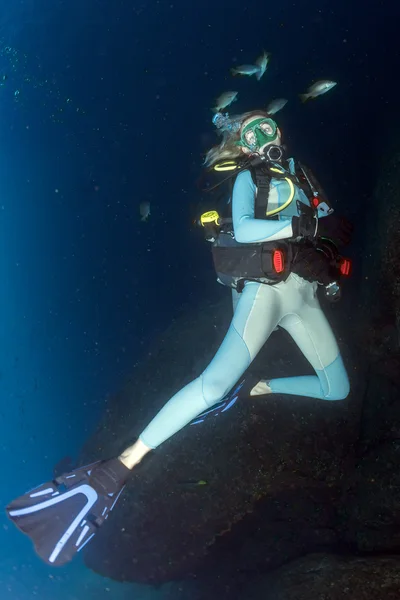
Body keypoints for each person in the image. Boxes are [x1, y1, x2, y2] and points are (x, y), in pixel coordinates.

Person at [6, 110, 353, 566]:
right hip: (266, 293)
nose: (263, 134)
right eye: (252, 132)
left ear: (280, 131)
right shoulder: (251, 177)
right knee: (212, 386)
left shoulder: (303, 177)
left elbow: (326, 223)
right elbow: (247, 228)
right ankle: (117, 469)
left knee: (337, 390)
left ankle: (257, 388)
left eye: (267, 125)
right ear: (244, 145)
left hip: (305, 297)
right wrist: (305, 228)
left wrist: (328, 236)